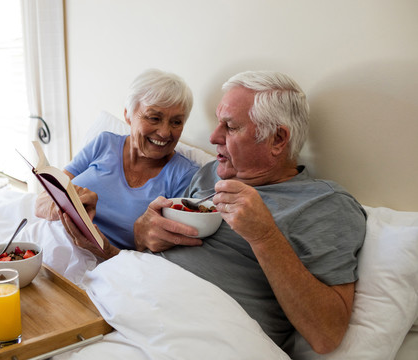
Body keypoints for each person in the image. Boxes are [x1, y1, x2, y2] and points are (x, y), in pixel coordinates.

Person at [60, 70, 367, 355]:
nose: (213, 137)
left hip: (201, 333)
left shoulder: (325, 202)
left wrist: (264, 235)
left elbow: (327, 335)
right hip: (130, 300)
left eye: (230, 126)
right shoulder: (209, 175)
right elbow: (152, 261)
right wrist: (136, 234)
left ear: (278, 139)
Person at [35, 69, 199, 250]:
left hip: (104, 266)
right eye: (154, 118)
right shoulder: (104, 143)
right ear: (128, 115)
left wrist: (104, 249)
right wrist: (68, 205)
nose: (165, 132)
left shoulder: (185, 176)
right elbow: (42, 201)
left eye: (176, 122)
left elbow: (160, 258)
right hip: (47, 240)